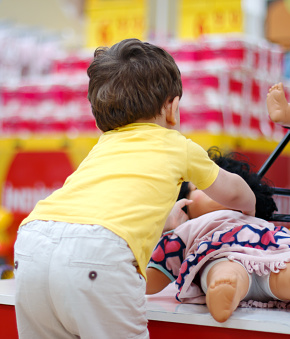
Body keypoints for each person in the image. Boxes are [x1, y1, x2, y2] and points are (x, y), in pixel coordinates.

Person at [13, 39, 256, 339]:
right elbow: (232, 191)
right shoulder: (176, 144)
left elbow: (112, 201)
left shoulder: (103, 146)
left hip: (33, 245)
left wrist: (164, 221)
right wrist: (250, 206)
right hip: (99, 255)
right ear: (173, 108)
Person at [146, 147, 290, 323]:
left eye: (225, 183)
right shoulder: (190, 228)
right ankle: (222, 298)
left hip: (275, 261)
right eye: (201, 185)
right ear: (184, 205)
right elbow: (158, 271)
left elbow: (289, 251)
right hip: (221, 256)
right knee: (225, 274)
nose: (217, 190)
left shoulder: (256, 220)